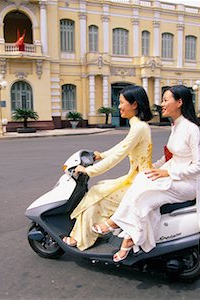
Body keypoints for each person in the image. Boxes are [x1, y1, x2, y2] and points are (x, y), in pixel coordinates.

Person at [92, 85, 200, 271]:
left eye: (166, 99)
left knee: (144, 193)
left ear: (179, 102)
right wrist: (154, 168)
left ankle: (114, 223)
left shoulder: (192, 129)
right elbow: (172, 157)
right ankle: (129, 239)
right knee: (142, 185)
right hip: (175, 176)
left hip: (189, 183)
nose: (162, 104)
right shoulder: (176, 125)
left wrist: (168, 173)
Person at [62, 85, 154, 251]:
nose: (119, 106)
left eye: (121, 102)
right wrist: (101, 155)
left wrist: (89, 170)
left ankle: (79, 239)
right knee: (99, 188)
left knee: (96, 195)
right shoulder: (139, 126)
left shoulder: (139, 127)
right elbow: (123, 146)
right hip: (137, 178)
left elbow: (118, 156)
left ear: (134, 105)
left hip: (137, 182)